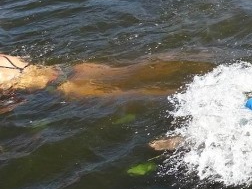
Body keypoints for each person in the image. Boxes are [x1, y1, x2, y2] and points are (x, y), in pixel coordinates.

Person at [1, 52, 210, 112]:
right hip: (71, 69)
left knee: (132, 94)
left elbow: (11, 104)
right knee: (133, 71)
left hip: (62, 86)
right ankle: (204, 67)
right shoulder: (4, 56)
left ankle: (185, 94)